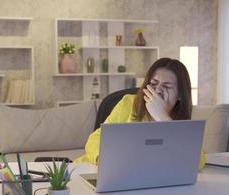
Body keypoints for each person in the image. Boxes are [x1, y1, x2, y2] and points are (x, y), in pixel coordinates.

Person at [74, 57, 205, 170]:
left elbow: (197, 161)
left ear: (180, 95)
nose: (158, 90)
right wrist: (105, 161)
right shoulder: (128, 103)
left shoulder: (182, 126)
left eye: (167, 86)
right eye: (154, 83)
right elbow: (95, 140)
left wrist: (163, 118)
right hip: (97, 171)